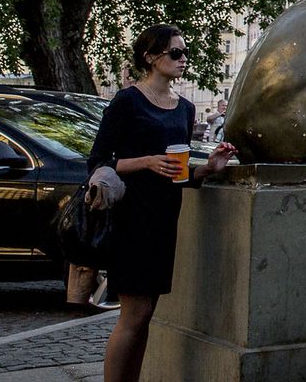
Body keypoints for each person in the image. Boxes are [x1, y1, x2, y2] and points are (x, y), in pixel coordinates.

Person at [88, 24, 237, 382]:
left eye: (185, 53)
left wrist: (208, 169)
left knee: (146, 315)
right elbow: (97, 163)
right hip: (132, 217)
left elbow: (178, 172)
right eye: (175, 53)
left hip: (164, 218)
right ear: (151, 58)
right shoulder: (127, 101)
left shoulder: (184, 109)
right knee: (134, 315)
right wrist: (146, 161)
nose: (183, 59)